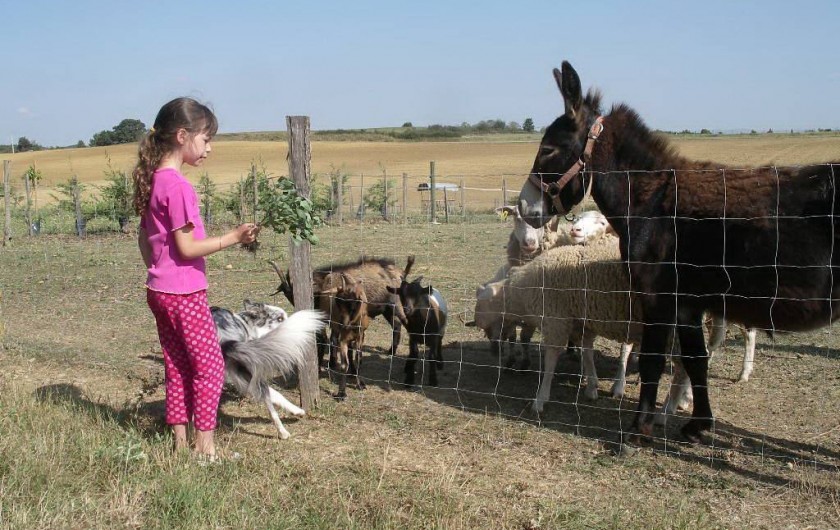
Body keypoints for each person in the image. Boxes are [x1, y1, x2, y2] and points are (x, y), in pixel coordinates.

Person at [133, 97, 259, 461]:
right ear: (182, 136)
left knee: (176, 365)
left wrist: (159, 268)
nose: (209, 148)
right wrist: (233, 237)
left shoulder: (152, 181)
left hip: (158, 290)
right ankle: (205, 450)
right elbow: (187, 248)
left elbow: (145, 238)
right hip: (185, 294)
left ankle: (178, 444)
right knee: (210, 368)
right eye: (206, 140)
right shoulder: (179, 187)